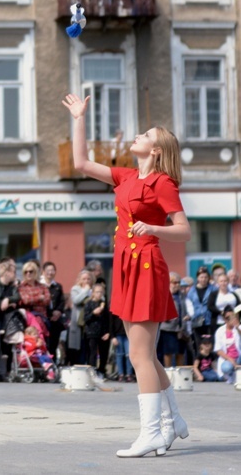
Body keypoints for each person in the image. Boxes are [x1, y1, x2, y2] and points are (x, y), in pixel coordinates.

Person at [64, 93, 191, 457]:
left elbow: (183, 230)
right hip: (126, 265)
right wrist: (78, 118)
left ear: (156, 150)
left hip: (147, 264)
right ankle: (172, 421)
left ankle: (152, 431)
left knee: (138, 355)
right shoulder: (127, 176)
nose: (137, 136)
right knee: (146, 355)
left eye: (145, 135)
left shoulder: (162, 183)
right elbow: (81, 162)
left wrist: (153, 228)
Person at [159, 273, 187, 368]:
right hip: (168, 328)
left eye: (179, 283)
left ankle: (179, 372)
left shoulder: (181, 296)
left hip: (180, 328)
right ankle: (168, 372)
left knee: (180, 352)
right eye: (175, 283)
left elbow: (184, 309)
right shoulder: (164, 295)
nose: (177, 285)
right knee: (168, 352)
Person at [67, 269, 94, 366]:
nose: (86, 281)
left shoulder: (94, 290)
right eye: (84, 279)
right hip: (79, 322)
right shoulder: (75, 289)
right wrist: (86, 290)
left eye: (88, 279)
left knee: (90, 347)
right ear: (80, 280)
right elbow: (76, 300)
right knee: (79, 345)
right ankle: (79, 364)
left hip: (92, 321)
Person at [186, 266, 215, 349]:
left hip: (209, 320)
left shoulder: (213, 289)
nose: (204, 279)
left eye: (206, 277)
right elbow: (188, 305)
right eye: (201, 277)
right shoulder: (192, 291)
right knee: (198, 344)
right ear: (197, 278)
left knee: (209, 344)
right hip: (196, 320)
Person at [41, 261, 65, 362]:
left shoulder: (58, 286)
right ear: (43, 272)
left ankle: (53, 366)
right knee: (44, 344)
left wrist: (58, 311)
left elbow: (62, 301)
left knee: (53, 345)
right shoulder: (40, 285)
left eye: (52, 270)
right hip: (43, 319)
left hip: (55, 320)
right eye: (48, 270)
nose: (50, 273)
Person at [83, 283, 109, 373]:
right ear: (93, 293)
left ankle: (102, 370)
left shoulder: (104, 304)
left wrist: (107, 332)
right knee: (92, 353)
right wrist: (93, 313)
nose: (99, 294)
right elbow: (85, 318)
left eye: (101, 292)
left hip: (102, 332)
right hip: (91, 332)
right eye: (97, 292)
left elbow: (107, 319)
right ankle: (92, 370)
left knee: (103, 353)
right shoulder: (89, 303)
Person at [214, 306, 241, 384]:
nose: (230, 320)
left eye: (232, 317)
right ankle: (232, 376)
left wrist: (237, 327)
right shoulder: (220, 331)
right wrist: (231, 360)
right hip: (228, 359)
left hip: (239, 356)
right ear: (224, 319)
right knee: (226, 368)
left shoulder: (238, 328)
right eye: (227, 318)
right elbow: (218, 350)